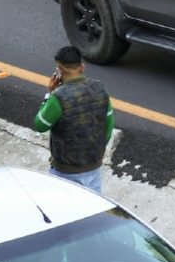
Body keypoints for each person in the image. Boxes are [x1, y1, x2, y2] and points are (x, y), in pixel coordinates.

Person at [32, 45, 114, 194]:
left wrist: (49, 95)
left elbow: (40, 124)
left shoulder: (58, 97)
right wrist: (95, 150)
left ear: (59, 70)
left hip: (65, 171)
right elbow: (109, 125)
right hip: (94, 167)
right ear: (81, 67)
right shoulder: (100, 88)